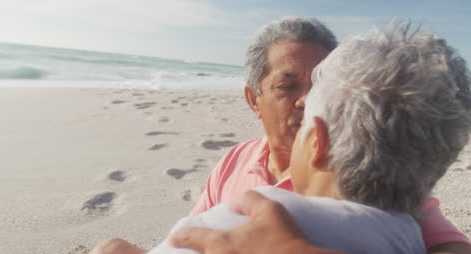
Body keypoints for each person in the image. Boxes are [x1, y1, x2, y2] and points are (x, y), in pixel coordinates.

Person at [91, 17, 471, 254]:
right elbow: (189, 238)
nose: (305, 100)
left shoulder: (376, 175)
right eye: (287, 86)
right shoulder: (235, 160)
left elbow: (453, 247)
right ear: (254, 101)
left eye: (319, 85)